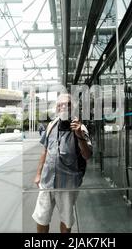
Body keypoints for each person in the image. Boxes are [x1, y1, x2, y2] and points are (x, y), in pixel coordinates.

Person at [32, 94, 92, 233]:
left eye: (67, 104)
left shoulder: (81, 129)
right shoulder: (51, 125)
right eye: (60, 104)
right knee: (41, 217)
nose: (63, 107)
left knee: (66, 219)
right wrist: (38, 174)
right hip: (47, 181)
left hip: (68, 183)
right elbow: (45, 151)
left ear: (74, 107)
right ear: (57, 108)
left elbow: (87, 155)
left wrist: (78, 135)